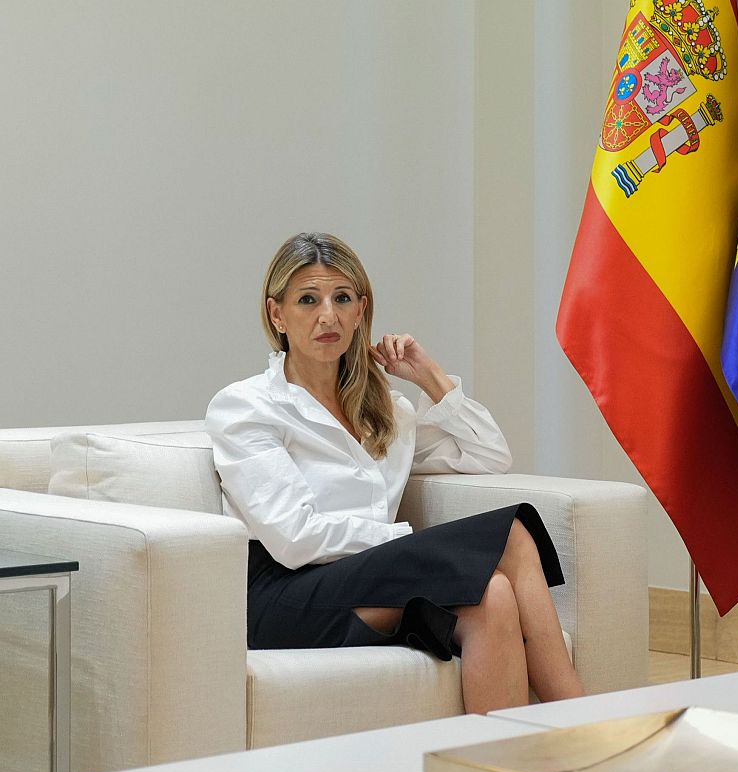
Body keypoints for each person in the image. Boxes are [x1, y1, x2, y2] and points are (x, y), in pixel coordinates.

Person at [206, 232, 582, 714]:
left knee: (494, 593)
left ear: (361, 310)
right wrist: (403, 544)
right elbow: (294, 539)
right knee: (508, 533)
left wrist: (429, 376)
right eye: (307, 300)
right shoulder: (247, 406)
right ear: (277, 314)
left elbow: (489, 454)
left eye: (342, 298)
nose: (328, 316)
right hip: (286, 598)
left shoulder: (385, 411)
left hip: (371, 585)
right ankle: (581, 719)